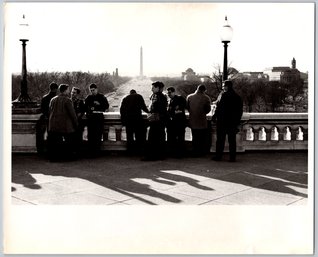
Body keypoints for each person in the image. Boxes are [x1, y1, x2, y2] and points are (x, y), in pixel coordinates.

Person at [212, 79, 243, 162]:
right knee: (232, 141)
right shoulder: (237, 97)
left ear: (227, 86)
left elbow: (219, 108)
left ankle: (218, 156)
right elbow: (239, 111)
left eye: (223, 86)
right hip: (232, 122)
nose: (222, 88)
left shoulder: (223, 95)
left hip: (222, 121)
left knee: (220, 140)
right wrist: (237, 121)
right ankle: (232, 157)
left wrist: (214, 116)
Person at [47, 84, 78, 161]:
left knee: (55, 143)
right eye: (68, 90)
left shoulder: (53, 99)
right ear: (65, 90)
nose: (69, 91)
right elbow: (72, 114)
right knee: (67, 142)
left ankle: (55, 158)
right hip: (64, 125)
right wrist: (76, 124)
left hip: (53, 125)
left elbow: (50, 111)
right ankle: (67, 157)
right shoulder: (67, 100)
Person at [142, 81, 168, 161]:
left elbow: (156, 109)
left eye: (153, 87)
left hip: (156, 120)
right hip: (160, 120)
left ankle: (152, 156)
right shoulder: (161, 96)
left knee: (153, 138)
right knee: (159, 138)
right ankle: (159, 155)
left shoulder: (158, 96)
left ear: (158, 88)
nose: (151, 89)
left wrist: (151, 113)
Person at [120, 89, 149, 155]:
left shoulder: (125, 98)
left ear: (130, 93)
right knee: (138, 136)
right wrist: (149, 112)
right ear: (135, 92)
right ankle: (138, 151)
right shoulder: (139, 96)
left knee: (129, 137)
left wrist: (123, 121)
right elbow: (143, 107)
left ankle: (130, 151)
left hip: (129, 120)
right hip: (137, 119)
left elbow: (122, 110)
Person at [186, 84, 211, 157]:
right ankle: (201, 152)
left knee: (194, 137)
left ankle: (195, 152)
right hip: (202, 120)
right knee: (202, 138)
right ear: (204, 90)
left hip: (193, 120)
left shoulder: (189, 97)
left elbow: (188, 108)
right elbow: (208, 110)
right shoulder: (206, 98)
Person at [85, 83, 109, 156]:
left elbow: (107, 106)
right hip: (91, 118)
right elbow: (85, 107)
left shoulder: (102, 97)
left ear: (96, 89)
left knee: (98, 135)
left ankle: (97, 151)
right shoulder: (88, 98)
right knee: (91, 135)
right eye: (91, 90)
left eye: (93, 90)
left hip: (99, 118)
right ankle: (91, 152)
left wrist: (99, 104)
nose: (92, 92)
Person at [37, 82, 58, 154]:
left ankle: (47, 151)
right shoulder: (56, 98)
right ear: (56, 89)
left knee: (48, 135)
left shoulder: (45, 98)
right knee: (55, 135)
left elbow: (42, 109)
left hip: (47, 118)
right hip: (55, 119)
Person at [166, 87, 187, 158]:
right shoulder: (172, 100)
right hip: (176, 122)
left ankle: (179, 153)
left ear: (174, 92)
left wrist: (172, 113)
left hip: (179, 122)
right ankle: (178, 153)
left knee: (179, 138)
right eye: (168, 93)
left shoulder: (178, 99)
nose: (168, 94)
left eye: (170, 92)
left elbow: (180, 110)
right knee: (177, 138)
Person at [71, 87, 86, 151]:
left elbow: (83, 111)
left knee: (79, 138)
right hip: (70, 123)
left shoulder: (80, 102)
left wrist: (80, 114)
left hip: (78, 123)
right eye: (72, 92)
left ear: (77, 94)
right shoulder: (68, 101)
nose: (72, 94)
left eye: (74, 93)